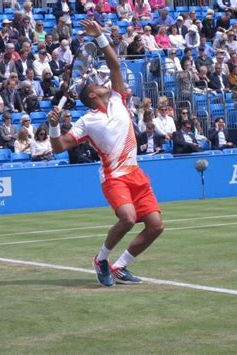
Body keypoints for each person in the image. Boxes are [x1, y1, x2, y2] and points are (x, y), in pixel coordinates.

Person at [47, 19, 164, 287]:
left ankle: (120, 266)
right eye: (99, 83)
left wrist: (100, 35)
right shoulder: (87, 121)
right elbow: (58, 147)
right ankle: (101, 259)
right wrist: (53, 127)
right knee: (128, 218)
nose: (105, 81)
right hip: (114, 178)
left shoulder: (118, 98)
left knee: (156, 226)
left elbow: (114, 64)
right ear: (92, 95)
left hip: (136, 173)